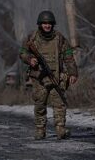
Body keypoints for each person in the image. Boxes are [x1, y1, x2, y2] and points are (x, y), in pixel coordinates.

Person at [19, 10, 78, 140]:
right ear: (40, 24)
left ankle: (60, 129)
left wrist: (73, 73)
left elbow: (68, 56)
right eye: (44, 23)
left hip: (56, 76)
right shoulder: (32, 37)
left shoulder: (59, 38)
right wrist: (30, 60)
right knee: (40, 104)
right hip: (39, 77)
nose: (47, 25)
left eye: (49, 23)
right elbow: (22, 53)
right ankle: (40, 130)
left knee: (59, 103)